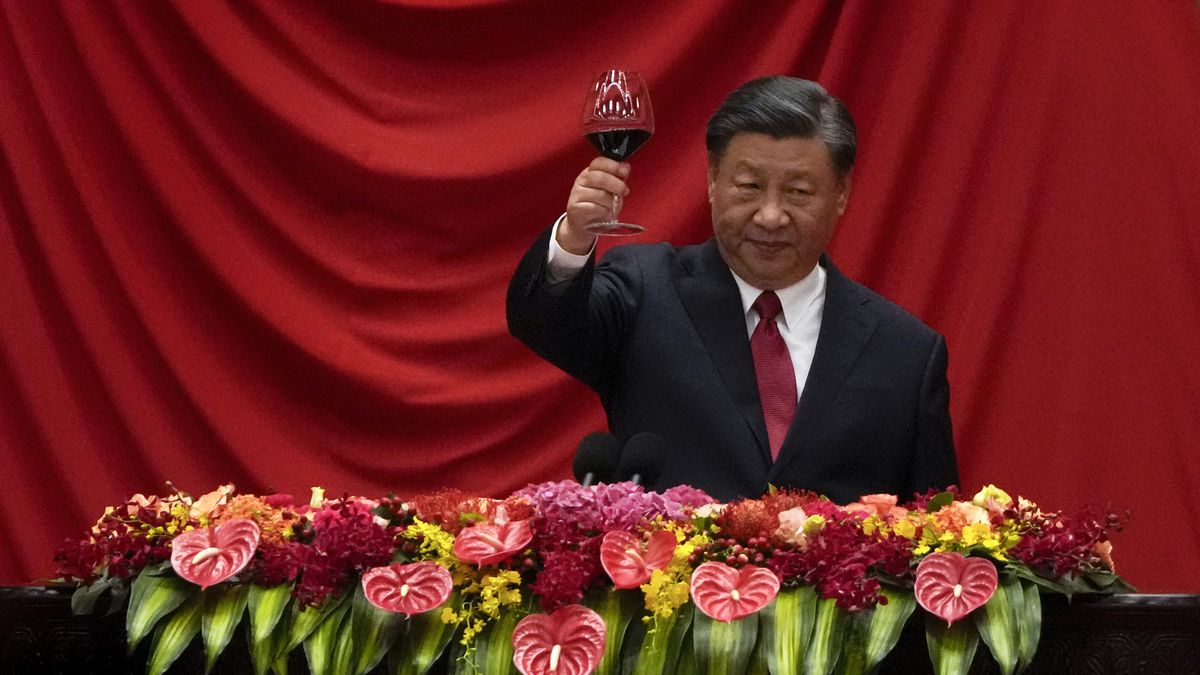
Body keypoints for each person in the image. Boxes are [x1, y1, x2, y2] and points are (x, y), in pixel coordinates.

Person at [507, 76, 958, 504]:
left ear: (841, 194)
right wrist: (575, 238)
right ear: (712, 180)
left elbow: (939, 532)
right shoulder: (645, 291)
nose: (770, 215)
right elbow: (546, 322)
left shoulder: (907, 354)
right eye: (749, 187)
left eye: (798, 192)